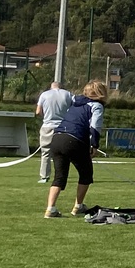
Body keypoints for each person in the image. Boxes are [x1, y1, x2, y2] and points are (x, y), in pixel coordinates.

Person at [44, 81, 107, 218]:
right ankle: (78, 206)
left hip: (57, 138)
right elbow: (95, 127)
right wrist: (94, 145)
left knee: (59, 176)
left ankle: (50, 208)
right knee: (86, 174)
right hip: (74, 140)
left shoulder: (75, 103)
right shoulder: (96, 106)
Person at [35, 80, 73, 184]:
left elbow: (38, 111)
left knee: (46, 152)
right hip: (63, 127)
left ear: (51, 87)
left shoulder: (44, 95)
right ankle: (61, 175)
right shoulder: (68, 94)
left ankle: (44, 176)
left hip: (47, 126)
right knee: (63, 152)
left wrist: (45, 117)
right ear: (61, 87)